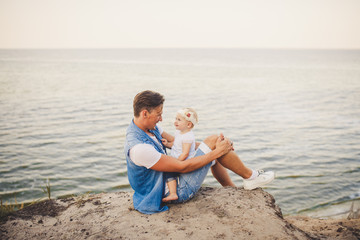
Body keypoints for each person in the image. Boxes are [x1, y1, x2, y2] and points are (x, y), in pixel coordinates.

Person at [124, 90, 275, 214]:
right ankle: (251, 177)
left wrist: (217, 145)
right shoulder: (139, 148)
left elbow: (179, 143)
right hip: (174, 190)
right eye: (158, 114)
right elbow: (182, 167)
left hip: (173, 179)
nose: (161, 119)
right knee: (214, 148)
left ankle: (234, 187)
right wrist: (216, 151)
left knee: (214, 141)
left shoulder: (150, 128)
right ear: (145, 114)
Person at [161, 108, 200, 202]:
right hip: (177, 160)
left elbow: (185, 153)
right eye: (176, 119)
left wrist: (176, 163)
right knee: (169, 173)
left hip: (183, 162)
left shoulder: (188, 137)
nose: (175, 122)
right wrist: (167, 144)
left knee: (169, 173)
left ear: (189, 124)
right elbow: (176, 145)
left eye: (179, 120)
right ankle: (172, 189)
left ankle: (173, 194)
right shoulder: (179, 132)